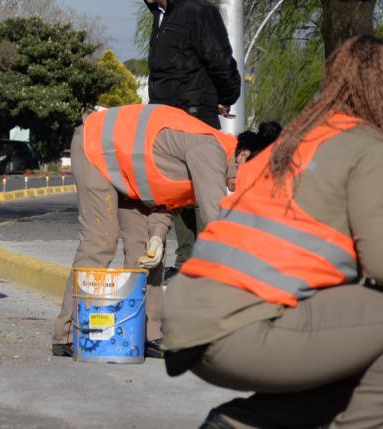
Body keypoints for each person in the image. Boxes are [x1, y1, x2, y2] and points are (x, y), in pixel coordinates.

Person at [162, 36, 383, 429]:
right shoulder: (367, 147)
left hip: (190, 315)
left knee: (359, 352)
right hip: (242, 325)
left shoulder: (296, 141)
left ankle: (245, 423)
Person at [51, 104, 238, 358]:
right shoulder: (209, 150)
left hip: (130, 170)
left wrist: (157, 237)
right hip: (94, 147)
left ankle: (148, 333)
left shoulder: (213, 156)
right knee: (100, 241)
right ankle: (67, 332)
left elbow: (169, 198)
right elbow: (217, 217)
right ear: (245, 155)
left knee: (145, 252)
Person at [138, 0, 243, 283]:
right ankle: (186, 263)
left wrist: (223, 99)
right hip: (165, 120)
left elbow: (221, 62)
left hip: (195, 118)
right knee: (176, 192)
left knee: (203, 195)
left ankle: (213, 268)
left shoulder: (198, 12)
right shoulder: (161, 14)